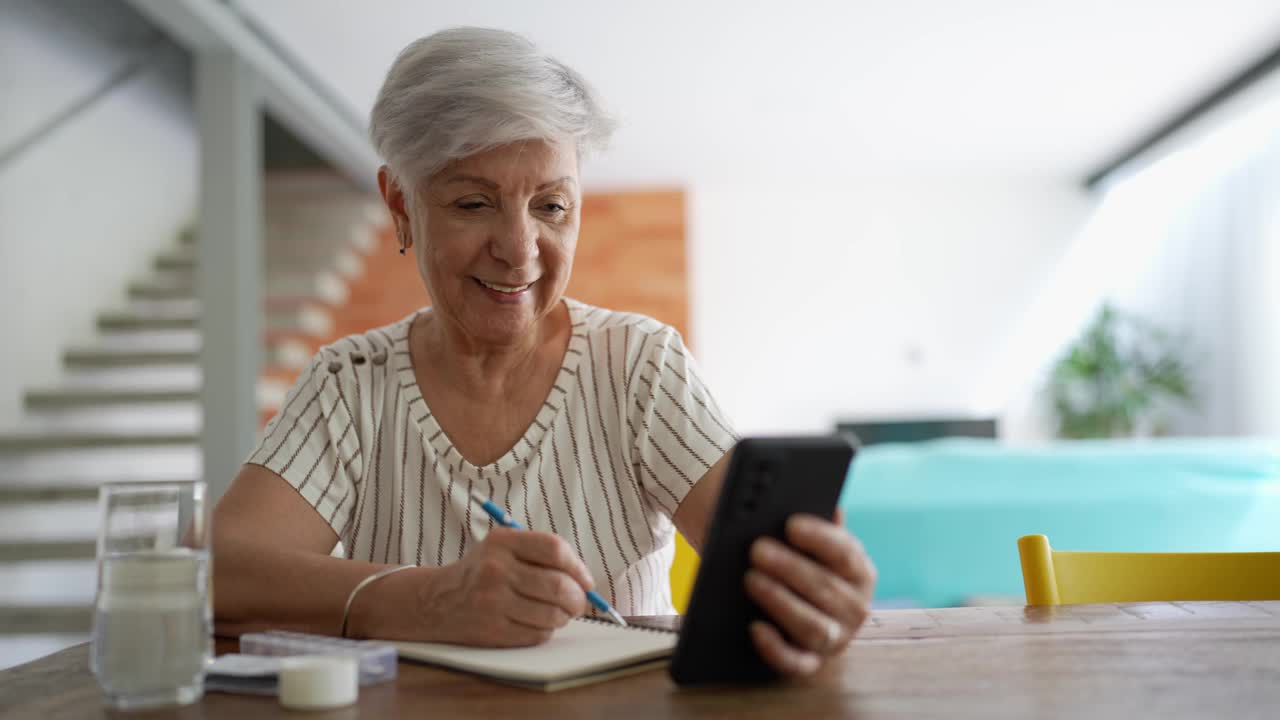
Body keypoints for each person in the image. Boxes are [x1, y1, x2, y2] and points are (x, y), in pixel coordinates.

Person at [212, 26, 876, 677]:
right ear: (400, 204)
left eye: (552, 206)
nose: (521, 248)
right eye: (474, 203)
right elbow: (214, 573)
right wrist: (431, 599)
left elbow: (767, 574)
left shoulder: (638, 366)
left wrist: (817, 592)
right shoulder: (350, 384)